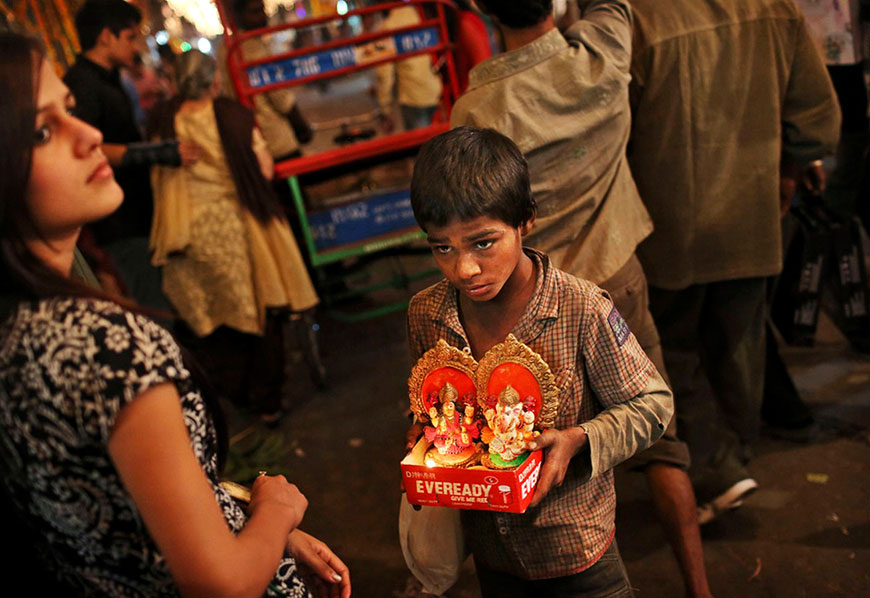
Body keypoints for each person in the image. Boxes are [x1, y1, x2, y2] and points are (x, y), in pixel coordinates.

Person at [0, 31, 350, 598]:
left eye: (69, 110)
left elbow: (119, 507)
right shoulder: (107, 344)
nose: (90, 136)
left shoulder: (24, 326)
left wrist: (247, 520)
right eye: (42, 131)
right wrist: (275, 511)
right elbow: (223, 583)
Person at [449, 2, 712, 595]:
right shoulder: (602, 49)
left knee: (555, 464)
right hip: (616, 274)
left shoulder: (477, 109)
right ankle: (699, 588)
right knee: (661, 443)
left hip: (535, 304)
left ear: (481, 9)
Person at [406, 127, 674, 597]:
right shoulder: (428, 315)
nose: (463, 268)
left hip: (578, 558)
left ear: (525, 220)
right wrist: (424, 438)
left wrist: (579, 439)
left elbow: (652, 405)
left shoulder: (581, 308)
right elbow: (427, 408)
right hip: (491, 556)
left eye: (482, 242)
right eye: (442, 247)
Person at [626, 0, 841, 523]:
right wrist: (790, 163)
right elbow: (818, 116)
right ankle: (730, 460)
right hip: (753, 214)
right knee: (740, 345)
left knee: (670, 350)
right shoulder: (776, 8)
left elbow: (612, 129)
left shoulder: (637, 17)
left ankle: (704, 473)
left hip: (666, 223)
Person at [147, 50, 319, 424]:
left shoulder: (162, 121)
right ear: (215, 81)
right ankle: (267, 402)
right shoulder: (234, 116)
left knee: (209, 321)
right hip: (236, 234)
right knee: (259, 314)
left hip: (186, 239)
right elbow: (263, 167)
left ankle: (235, 393)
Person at [63, 0, 201, 310]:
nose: (136, 46)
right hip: (118, 221)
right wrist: (161, 152)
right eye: (130, 37)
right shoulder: (82, 84)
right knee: (152, 302)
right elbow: (88, 149)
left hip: (136, 210)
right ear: (105, 37)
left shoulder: (111, 79)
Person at [228, 0, 313, 162]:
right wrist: (301, 126)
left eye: (263, 10)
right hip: (275, 139)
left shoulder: (227, 47)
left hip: (250, 138)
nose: (263, 17)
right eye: (255, 12)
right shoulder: (251, 48)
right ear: (238, 16)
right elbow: (280, 96)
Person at [373, 2, 444, 131]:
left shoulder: (388, 26)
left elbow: (384, 74)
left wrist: (385, 108)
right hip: (435, 91)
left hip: (412, 97)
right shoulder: (419, 15)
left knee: (421, 147)